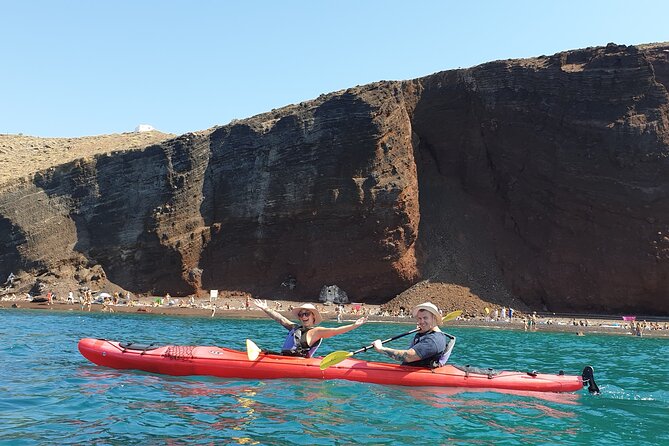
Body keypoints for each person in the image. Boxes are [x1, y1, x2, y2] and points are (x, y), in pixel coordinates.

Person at [253, 299, 367, 357]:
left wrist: (354, 325)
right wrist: (266, 308)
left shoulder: (316, 332)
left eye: (306, 314)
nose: (303, 316)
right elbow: (280, 319)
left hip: (297, 364)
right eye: (301, 314)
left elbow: (335, 331)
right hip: (283, 359)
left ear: (313, 316)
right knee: (263, 351)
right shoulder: (294, 327)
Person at [372, 302, 455, 368]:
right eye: (419, 318)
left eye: (425, 318)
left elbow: (408, 357)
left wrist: (381, 349)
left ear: (434, 318)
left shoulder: (433, 340)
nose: (421, 321)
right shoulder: (426, 333)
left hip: (416, 380)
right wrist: (422, 332)